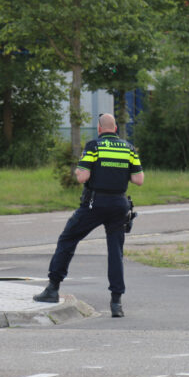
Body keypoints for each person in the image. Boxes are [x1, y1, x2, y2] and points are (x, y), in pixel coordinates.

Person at [33, 113, 144, 317]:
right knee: (116, 253)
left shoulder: (94, 146)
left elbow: (83, 176)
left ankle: (52, 288)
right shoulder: (129, 148)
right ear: (116, 129)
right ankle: (116, 303)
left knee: (68, 238)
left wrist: (79, 170)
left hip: (95, 204)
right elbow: (138, 179)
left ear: (100, 129)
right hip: (119, 204)